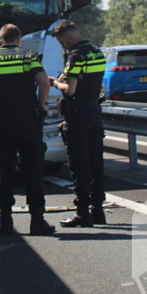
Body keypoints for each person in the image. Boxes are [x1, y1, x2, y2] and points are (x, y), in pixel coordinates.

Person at [0, 24, 54, 236]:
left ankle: (5, 221)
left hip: (0, 120)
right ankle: (37, 221)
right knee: (33, 170)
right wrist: (41, 105)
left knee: (4, 170)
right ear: (19, 38)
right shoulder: (28, 57)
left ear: (1, 40)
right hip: (27, 120)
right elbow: (44, 83)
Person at [48, 20, 107, 227]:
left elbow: (70, 89)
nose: (63, 46)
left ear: (71, 36)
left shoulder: (76, 56)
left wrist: (55, 82)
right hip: (94, 113)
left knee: (79, 166)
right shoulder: (97, 53)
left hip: (77, 116)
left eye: (63, 42)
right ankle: (98, 210)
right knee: (96, 163)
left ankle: (83, 213)